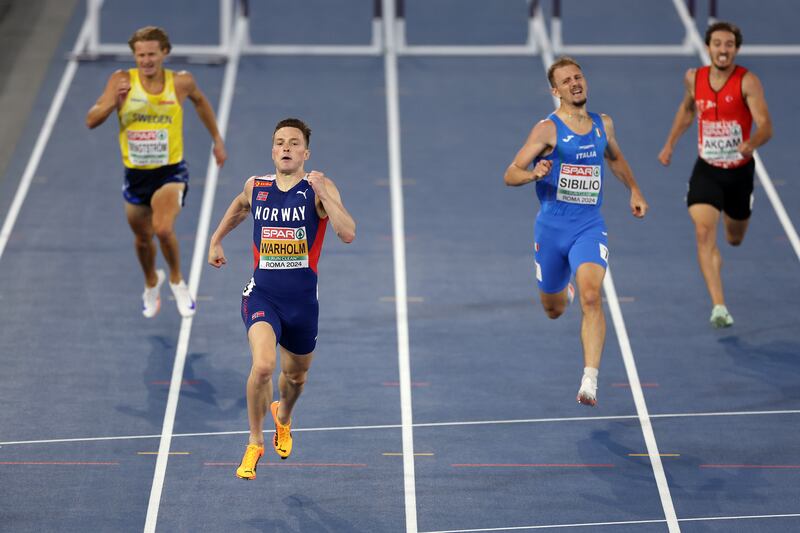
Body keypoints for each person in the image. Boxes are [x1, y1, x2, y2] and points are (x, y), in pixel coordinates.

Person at [208, 118, 355, 480]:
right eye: (279, 142)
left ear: (305, 152)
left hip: (302, 304)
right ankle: (255, 442)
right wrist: (216, 239)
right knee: (262, 366)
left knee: (296, 377)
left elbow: (347, 232)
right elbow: (241, 207)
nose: (286, 147)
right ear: (273, 151)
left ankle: (284, 417)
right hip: (263, 295)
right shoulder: (256, 186)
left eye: (293, 143)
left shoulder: (316, 187)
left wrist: (325, 194)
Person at [504, 57, 648, 407]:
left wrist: (634, 189)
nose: (575, 83)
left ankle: (590, 379)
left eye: (578, 77)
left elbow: (613, 157)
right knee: (553, 309)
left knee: (591, 297)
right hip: (552, 228)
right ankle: (561, 290)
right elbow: (510, 173)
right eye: (566, 81)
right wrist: (532, 176)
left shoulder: (603, 124)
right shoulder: (547, 130)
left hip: (589, 226)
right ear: (556, 91)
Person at [86, 26, 227, 318]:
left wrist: (217, 139)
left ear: (164, 53)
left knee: (163, 228)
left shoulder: (181, 83)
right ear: (134, 56)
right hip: (135, 174)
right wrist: (114, 101)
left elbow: (200, 102)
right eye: (141, 55)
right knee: (141, 238)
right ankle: (152, 281)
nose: (146, 60)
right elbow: (91, 119)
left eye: (152, 54)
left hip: (170, 172)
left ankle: (176, 280)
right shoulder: (121, 80)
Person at [658, 21, 772, 328]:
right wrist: (669, 144)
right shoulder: (694, 78)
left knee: (733, 238)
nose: (723, 50)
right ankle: (719, 306)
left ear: (736, 49)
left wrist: (751, 143)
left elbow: (766, 125)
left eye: (729, 45)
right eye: (718, 44)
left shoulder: (748, 82)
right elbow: (686, 110)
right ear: (708, 47)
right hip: (707, 170)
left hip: (739, 173)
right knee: (703, 232)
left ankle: (734, 210)